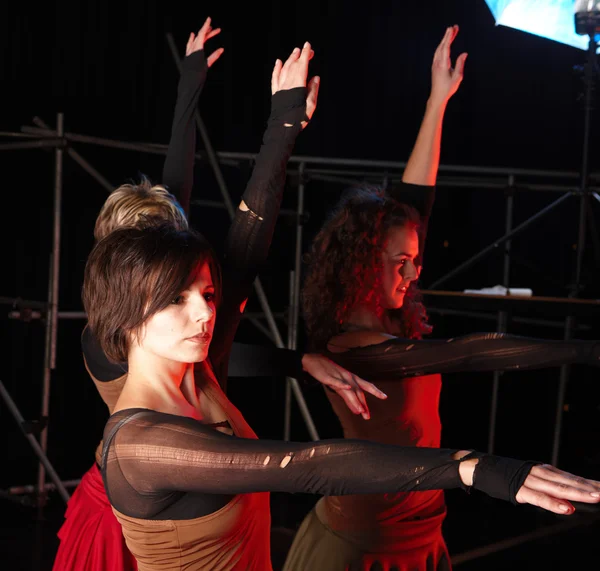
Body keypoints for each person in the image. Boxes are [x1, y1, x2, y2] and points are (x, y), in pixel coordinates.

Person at [85, 221, 600, 571]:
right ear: (125, 311)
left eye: (208, 294)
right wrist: (472, 467)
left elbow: (247, 250)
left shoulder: (195, 377)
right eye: (178, 298)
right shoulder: (139, 447)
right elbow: (304, 465)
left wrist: (283, 123)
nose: (204, 313)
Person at [283, 26, 600, 571]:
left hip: (422, 524)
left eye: (415, 258)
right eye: (400, 262)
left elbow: (412, 207)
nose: (415, 270)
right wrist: (587, 350)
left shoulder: (392, 313)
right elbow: (470, 354)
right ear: (361, 263)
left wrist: (437, 101)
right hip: (364, 543)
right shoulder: (348, 347)